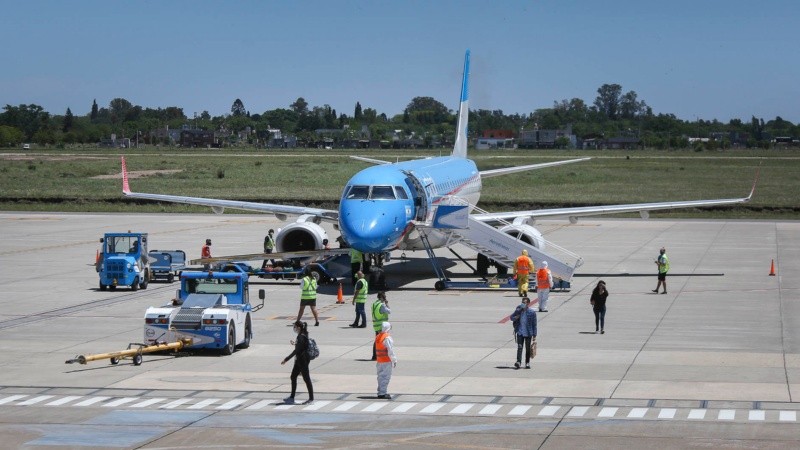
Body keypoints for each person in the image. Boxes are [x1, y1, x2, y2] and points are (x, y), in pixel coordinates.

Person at [280, 320, 314, 404]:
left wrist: (286, 359)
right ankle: (292, 397)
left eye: (295, 327)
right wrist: (295, 343)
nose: (294, 328)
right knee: (293, 376)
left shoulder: (301, 337)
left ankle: (311, 399)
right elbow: (300, 346)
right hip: (300, 359)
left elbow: (296, 350)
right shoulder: (302, 335)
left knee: (306, 379)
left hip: (303, 360)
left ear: (299, 328)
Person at [510, 297, 537, 369]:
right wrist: (516, 317)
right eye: (522, 302)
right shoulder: (518, 310)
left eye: (525, 302)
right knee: (519, 347)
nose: (523, 304)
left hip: (528, 333)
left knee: (527, 348)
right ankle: (518, 362)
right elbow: (511, 317)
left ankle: (527, 363)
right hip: (520, 332)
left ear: (528, 303)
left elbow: (534, 325)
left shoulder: (532, 313)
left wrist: (534, 335)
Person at [375, 321, 397, 399]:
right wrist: (394, 360)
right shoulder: (387, 337)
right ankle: (382, 393)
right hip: (386, 360)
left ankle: (380, 391)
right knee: (385, 377)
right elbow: (390, 350)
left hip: (379, 360)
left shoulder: (378, 336)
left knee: (380, 376)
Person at [371, 291, 391, 360]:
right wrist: (387, 303)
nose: (385, 298)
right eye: (384, 297)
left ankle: (374, 356)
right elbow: (389, 311)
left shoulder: (374, 304)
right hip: (381, 326)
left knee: (377, 340)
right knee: (383, 340)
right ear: (381, 297)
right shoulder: (382, 305)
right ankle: (379, 355)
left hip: (376, 325)